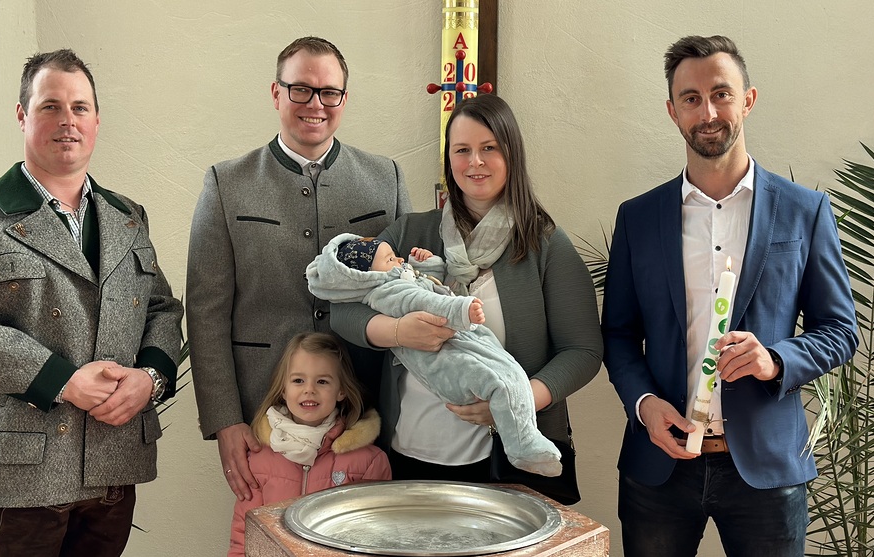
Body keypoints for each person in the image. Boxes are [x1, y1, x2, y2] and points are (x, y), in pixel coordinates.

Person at [602, 35, 858, 557]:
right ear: (673, 111)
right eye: (691, 99)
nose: (708, 112)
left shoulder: (804, 211)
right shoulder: (638, 217)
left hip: (767, 467)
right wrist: (645, 405)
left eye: (721, 94)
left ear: (748, 100)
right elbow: (619, 335)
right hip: (660, 465)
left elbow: (840, 330)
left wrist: (775, 359)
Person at [0, 49, 183, 556]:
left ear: (96, 120)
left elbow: (161, 308)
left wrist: (149, 379)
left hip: (112, 464)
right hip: (19, 474)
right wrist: (64, 381)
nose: (68, 120)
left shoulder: (129, 217)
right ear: (22, 115)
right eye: (50, 106)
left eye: (80, 107)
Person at [331, 94, 602, 488]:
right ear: (449, 160)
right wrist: (398, 332)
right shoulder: (410, 233)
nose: (475, 162)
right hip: (410, 452)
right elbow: (342, 307)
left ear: (512, 154)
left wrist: (515, 401)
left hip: (508, 461)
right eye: (462, 150)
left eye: (489, 148)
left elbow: (583, 351)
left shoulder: (545, 244)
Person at [186, 36, 411, 502]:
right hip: (263, 417)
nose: (316, 104)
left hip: (366, 412)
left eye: (329, 92)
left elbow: (407, 292)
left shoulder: (385, 178)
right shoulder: (226, 183)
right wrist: (225, 421)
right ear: (276, 93)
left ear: (344, 99)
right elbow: (206, 313)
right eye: (301, 89)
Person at [308, 233, 562, 475]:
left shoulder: (398, 278)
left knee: (511, 376)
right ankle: (524, 448)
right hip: (443, 363)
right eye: (390, 259)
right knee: (498, 383)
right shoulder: (387, 289)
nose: (400, 260)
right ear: (367, 276)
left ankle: (527, 442)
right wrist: (460, 311)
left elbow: (428, 286)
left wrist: (425, 265)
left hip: (463, 357)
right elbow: (423, 302)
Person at [229, 332, 391, 556]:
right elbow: (244, 535)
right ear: (283, 389)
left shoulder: (369, 461)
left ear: (341, 390)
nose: (309, 390)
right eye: (298, 380)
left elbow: (375, 537)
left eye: (322, 381)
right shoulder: (259, 459)